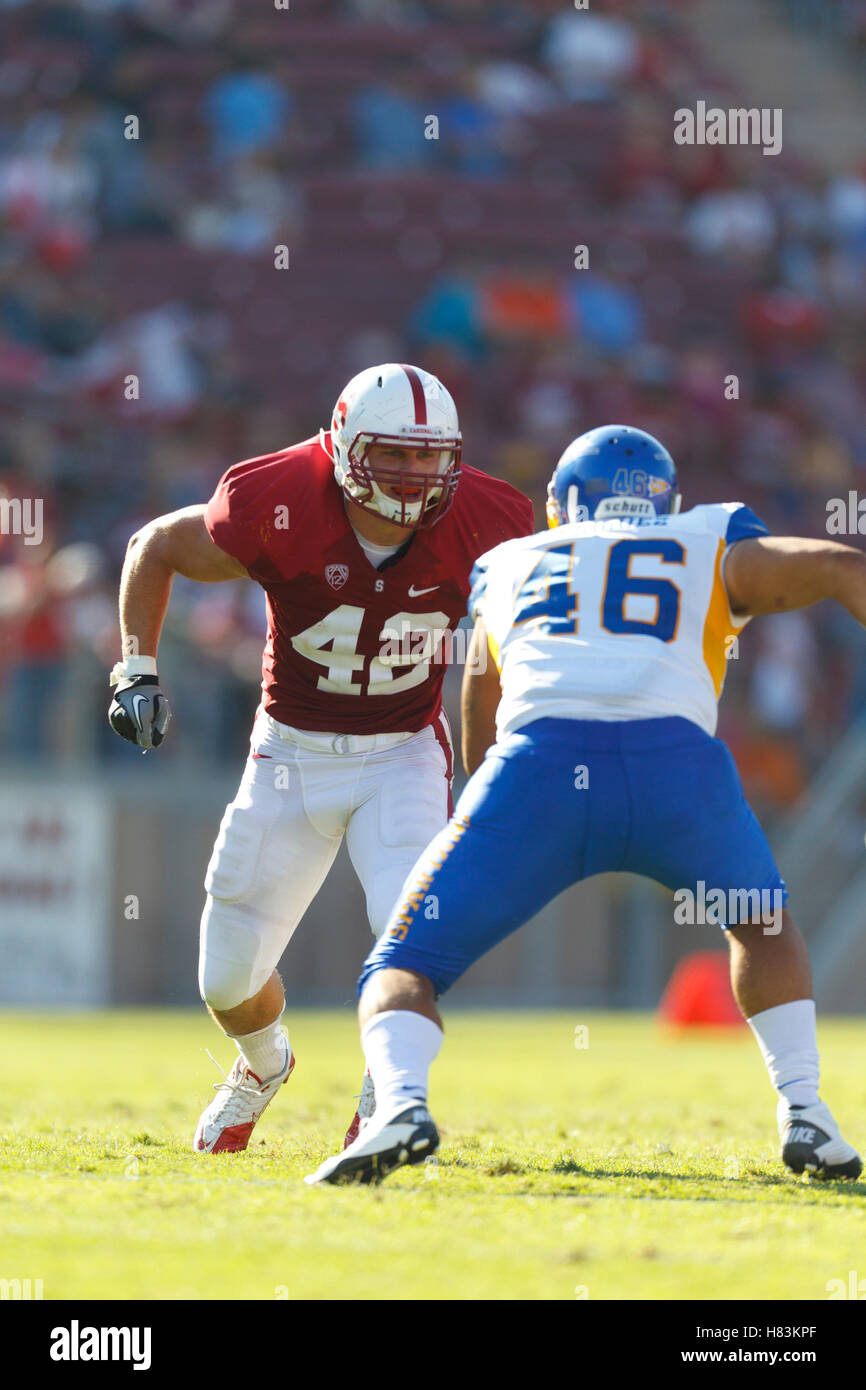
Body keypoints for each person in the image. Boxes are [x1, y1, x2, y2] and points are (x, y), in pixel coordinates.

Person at [307, 423, 863, 1186]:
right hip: (677, 770)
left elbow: (480, 691)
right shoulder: (705, 535)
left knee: (404, 963)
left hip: (537, 769)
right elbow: (837, 563)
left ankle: (401, 1106)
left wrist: (485, 806)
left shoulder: (505, 563)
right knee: (763, 929)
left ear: (557, 505)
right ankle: (807, 1114)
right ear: (665, 500)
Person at [107, 363, 534, 1153]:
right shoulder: (279, 500)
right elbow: (155, 546)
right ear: (342, 446)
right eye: (392, 454)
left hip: (404, 751)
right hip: (290, 753)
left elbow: (538, 617)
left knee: (412, 932)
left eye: (428, 456)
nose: (412, 475)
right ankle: (264, 1065)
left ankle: (389, 1094)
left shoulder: (490, 517)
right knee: (226, 980)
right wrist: (137, 667)